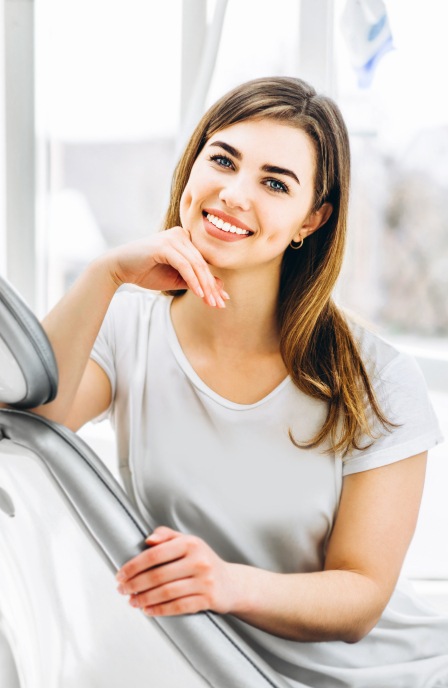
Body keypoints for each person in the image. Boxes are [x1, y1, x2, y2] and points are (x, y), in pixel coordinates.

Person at [34, 76, 448, 688]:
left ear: (313, 218)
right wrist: (105, 273)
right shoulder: (125, 325)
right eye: (222, 160)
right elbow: (33, 424)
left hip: (381, 674)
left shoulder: (377, 377)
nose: (232, 194)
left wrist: (227, 584)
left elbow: (361, 599)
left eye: (274, 182)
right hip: (207, 664)